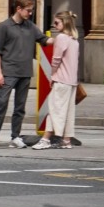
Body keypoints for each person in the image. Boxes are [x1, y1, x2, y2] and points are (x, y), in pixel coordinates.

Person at [0, 0, 49, 149]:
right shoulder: (4, 26)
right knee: (2, 103)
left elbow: (44, 39)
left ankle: (15, 136)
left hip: (25, 72)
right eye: (28, 11)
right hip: (8, 71)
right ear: (18, 9)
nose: (30, 13)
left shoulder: (30, 27)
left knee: (20, 107)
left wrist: (64, 37)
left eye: (31, 11)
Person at [33, 10, 80, 149]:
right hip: (72, 81)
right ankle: (66, 141)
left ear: (64, 22)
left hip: (61, 79)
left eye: (56, 22)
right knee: (68, 112)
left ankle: (46, 139)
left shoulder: (61, 38)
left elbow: (56, 60)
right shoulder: (74, 40)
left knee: (54, 110)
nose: (54, 25)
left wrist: (52, 76)